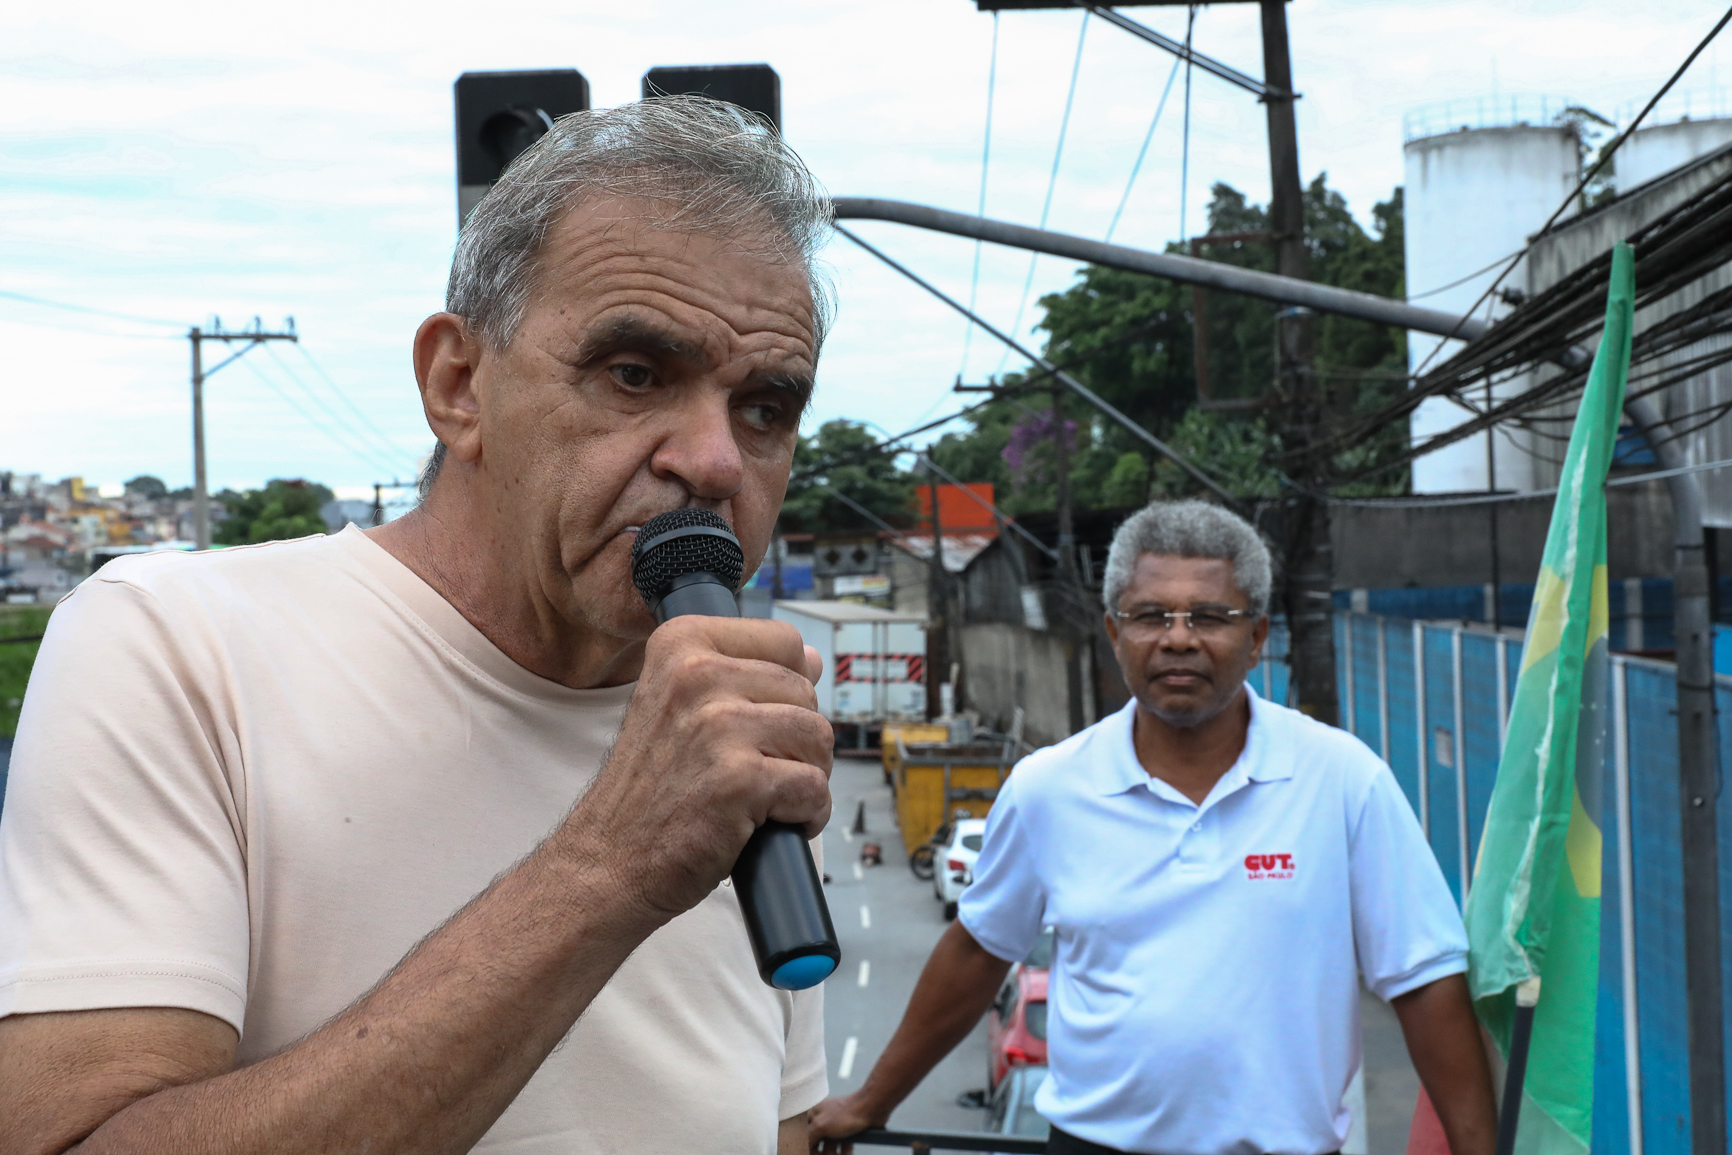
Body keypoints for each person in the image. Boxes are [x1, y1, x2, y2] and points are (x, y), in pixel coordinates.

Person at [0, 97, 837, 1155]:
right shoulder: (173, 648)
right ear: (458, 385)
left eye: (765, 407)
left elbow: (783, 1123)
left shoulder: (742, 728)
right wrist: (613, 865)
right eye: (635, 374)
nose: (715, 460)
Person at [810, 501, 1498, 1155]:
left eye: (1209, 615)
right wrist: (873, 1100)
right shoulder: (1050, 787)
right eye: (1149, 615)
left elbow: (1425, 980)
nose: (1177, 638)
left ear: (1257, 636)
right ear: (1114, 633)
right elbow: (977, 951)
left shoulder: (1344, 780)